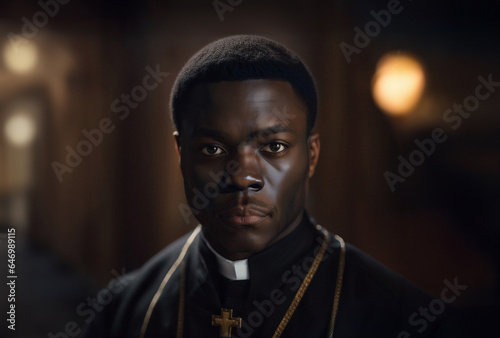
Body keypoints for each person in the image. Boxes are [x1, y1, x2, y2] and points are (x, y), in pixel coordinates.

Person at [83, 35, 448, 338]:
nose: (242, 177)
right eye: (212, 149)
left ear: (312, 155)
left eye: (273, 147)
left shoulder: (403, 317)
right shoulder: (123, 311)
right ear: (181, 154)